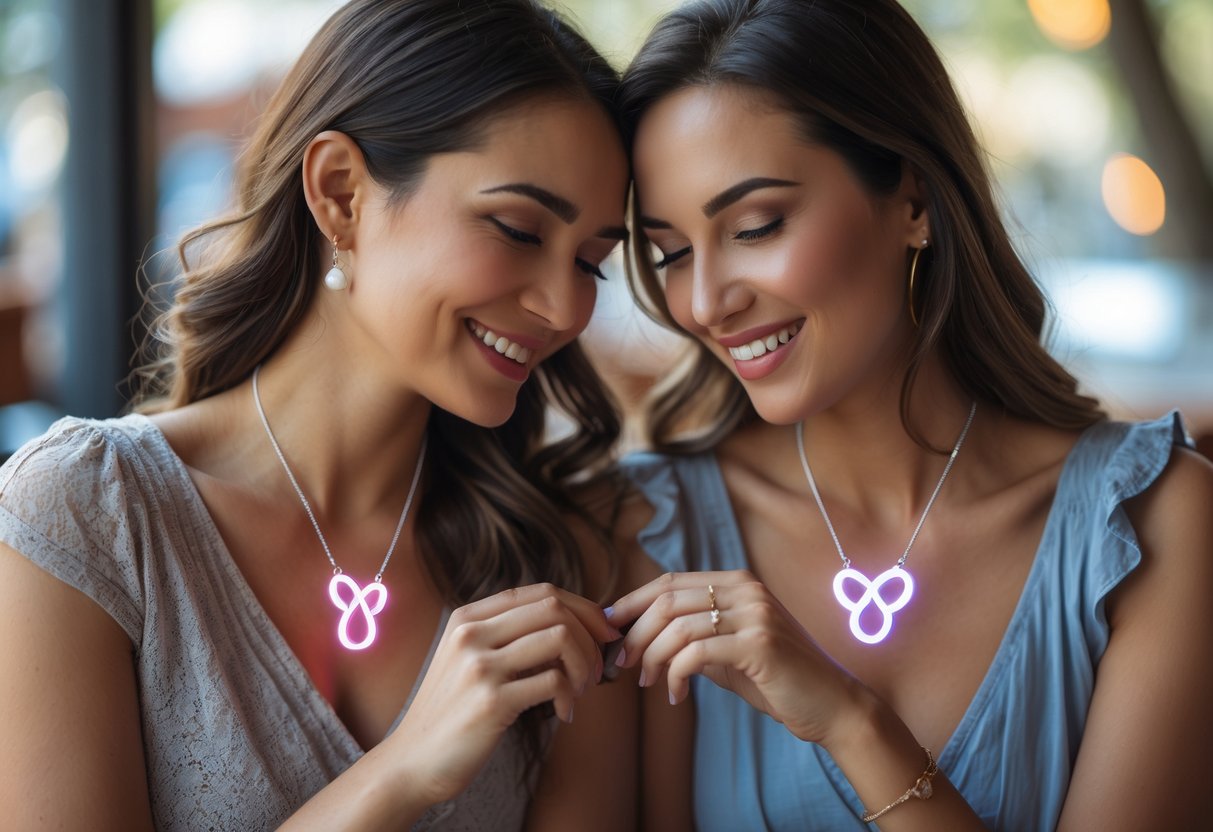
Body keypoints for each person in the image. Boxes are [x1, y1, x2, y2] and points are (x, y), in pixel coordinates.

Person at [0, 1, 636, 828]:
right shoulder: (87, 516)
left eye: (592, 263)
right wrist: (402, 772)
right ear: (340, 194)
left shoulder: (566, 556)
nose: (563, 307)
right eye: (517, 229)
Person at [603, 0, 1213, 829]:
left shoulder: (1156, 523)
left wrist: (847, 720)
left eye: (756, 226)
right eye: (670, 253)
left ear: (914, 199)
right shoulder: (643, 534)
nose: (705, 301)